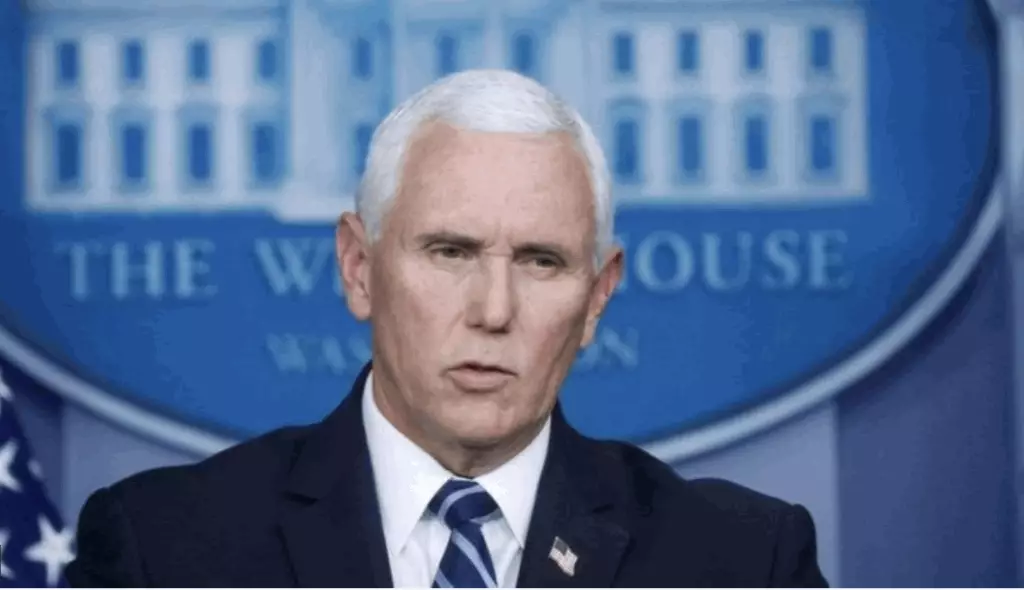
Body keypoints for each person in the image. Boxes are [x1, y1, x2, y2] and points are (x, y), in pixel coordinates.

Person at [66, 69, 828, 588]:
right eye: (450, 252)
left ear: (597, 298)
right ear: (359, 268)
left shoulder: (742, 560)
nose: (493, 311)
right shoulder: (161, 548)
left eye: (541, 261)